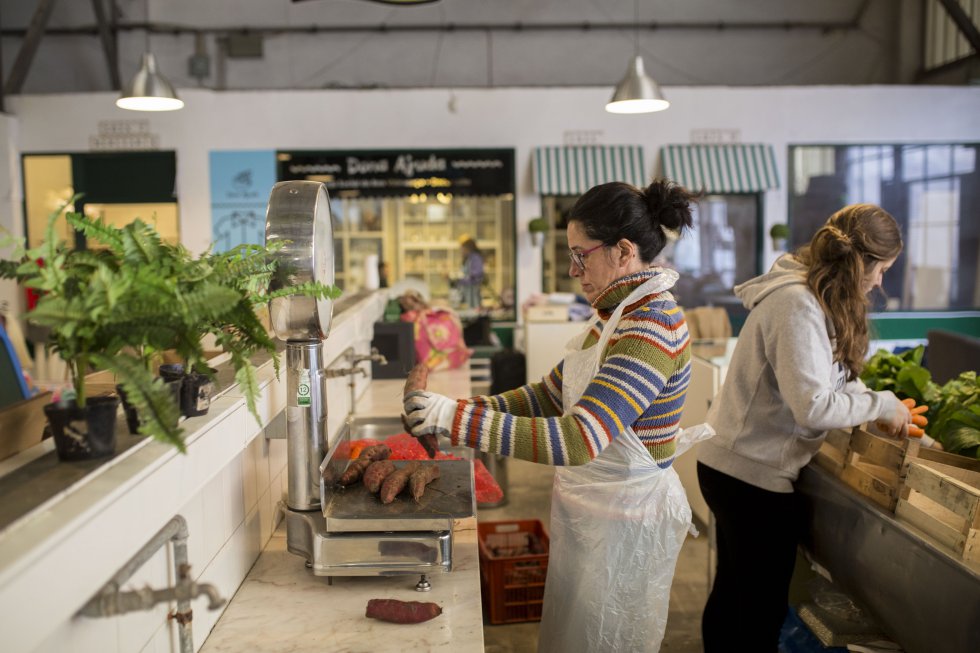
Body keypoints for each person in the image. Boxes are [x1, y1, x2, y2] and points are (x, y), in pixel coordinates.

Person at [403, 179, 713, 652]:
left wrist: (454, 418)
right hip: (591, 518)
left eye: (580, 255)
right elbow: (547, 396)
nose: (573, 270)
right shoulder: (613, 317)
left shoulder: (652, 324)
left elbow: (579, 439)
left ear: (623, 250)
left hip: (625, 531)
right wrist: (454, 411)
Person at [695, 203, 912, 652]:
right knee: (758, 609)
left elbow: (835, 378)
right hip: (747, 476)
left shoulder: (812, 298)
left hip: (735, 467)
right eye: (882, 270)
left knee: (735, 592)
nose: (879, 282)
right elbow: (812, 406)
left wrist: (876, 403)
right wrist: (879, 404)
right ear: (861, 263)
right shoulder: (796, 304)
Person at [456, 236, 484, 309]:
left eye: (462, 249)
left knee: (474, 312)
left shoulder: (475, 258)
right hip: (467, 293)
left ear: (468, 248)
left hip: (473, 295)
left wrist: (461, 280)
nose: (461, 251)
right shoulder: (468, 259)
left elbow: (476, 276)